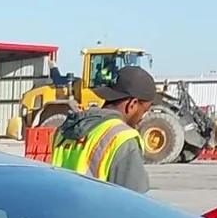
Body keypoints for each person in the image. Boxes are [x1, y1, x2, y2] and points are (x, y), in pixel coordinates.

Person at [50, 64, 158, 193]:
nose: (142, 118)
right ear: (132, 104)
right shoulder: (123, 139)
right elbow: (134, 201)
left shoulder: (64, 131)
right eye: (144, 111)